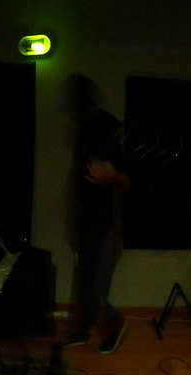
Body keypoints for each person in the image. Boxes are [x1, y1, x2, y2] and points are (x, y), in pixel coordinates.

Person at [61, 74, 131, 354]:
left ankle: (116, 325)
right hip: (86, 221)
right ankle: (82, 330)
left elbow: (128, 180)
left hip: (107, 221)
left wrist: (112, 178)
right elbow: (80, 172)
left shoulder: (111, 128)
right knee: (85, 281)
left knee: (101, 282)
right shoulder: (84, 131)